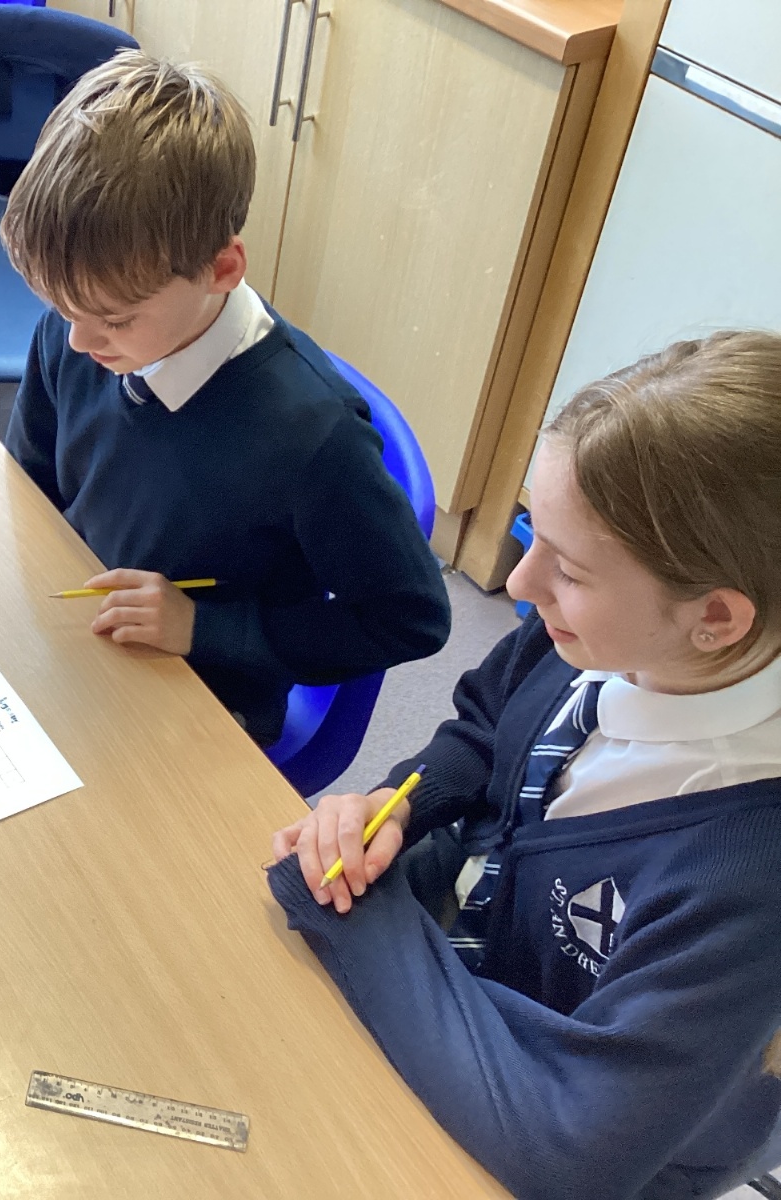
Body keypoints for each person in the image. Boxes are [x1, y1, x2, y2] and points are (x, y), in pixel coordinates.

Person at [268, 332, 781, 1197]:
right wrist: (396, 805)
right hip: (461, 977)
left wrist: (364, 923)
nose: (519, 584)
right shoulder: (591, 636)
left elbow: (569, 1152)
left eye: (569, 569)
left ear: (718, 618)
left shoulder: (746, 876)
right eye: (531, 534)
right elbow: (483, 730)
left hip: (569, 1120)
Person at [0, 51, 449, 745]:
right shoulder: (79, 325)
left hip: (205, 692)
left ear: (222, 269)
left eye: (115, 319)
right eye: (60, 307)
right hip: (82, 634)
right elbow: (29, 480)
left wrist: (202, 627)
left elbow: (411, 618)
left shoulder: (313, 436)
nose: (79, 340)